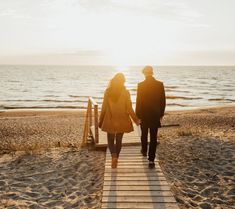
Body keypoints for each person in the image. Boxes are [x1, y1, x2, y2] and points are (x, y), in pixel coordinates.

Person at [99, 73, 140, 168]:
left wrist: (101, 120)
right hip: (122, 119)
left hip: (110, 118)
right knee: (119, 140)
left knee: (110, 139)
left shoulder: (108, 91)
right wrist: (136, 119)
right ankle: (116, 157)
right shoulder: (126, 92)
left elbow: (104, 107)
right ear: (123, 82)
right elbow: (129, 108)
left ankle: (113, 156)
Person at [136, 66, 166, 168]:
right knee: (153, 137)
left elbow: (138, 102)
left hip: (144, 114)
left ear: (144, 73)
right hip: (155, 114)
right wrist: (161, 114)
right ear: (152, 73)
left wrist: (137, 116)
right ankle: (151, 160)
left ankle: (144, 151)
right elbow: (163, 101)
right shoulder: (159, 84)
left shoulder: (140, 85)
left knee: (144, 134)